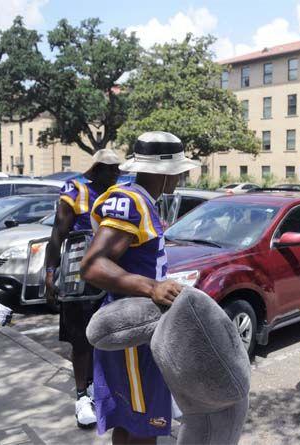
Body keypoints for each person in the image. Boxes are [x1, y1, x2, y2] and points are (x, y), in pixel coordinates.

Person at [80, 131, 200, 445]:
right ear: (167, 173)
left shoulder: (140, 199)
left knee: (130, 421)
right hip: (134, 331)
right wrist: (151, 288)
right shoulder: (131, 201)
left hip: (134, 325)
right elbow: (93, 265)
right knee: (145, 427)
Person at [44, 148, 121, 428]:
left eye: (117, 170)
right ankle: (81, 395)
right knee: (81, 337)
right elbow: (58, 232)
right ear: (97, 169)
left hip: (110, 269)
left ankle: (100, 387)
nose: (114, 174)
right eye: (109, 169)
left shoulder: (119, 194)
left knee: (107, 333)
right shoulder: (75, 189)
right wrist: (49, 271)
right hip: (78, 270)